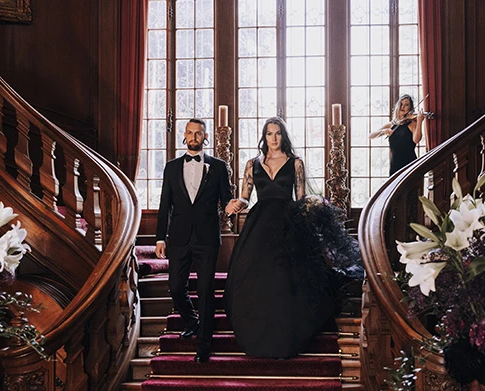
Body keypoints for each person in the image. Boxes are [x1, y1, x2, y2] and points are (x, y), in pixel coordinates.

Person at [224, 117, 360, 359]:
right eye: (269, 134)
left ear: (283, 136)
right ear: (264, 136)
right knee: (254, 279)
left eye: (277, 133)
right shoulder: (252, 163)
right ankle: (256, 335)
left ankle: (285, 336)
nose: (273, 138)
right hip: (259, 225)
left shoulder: (295, 163)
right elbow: (245, 196)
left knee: (285, 279)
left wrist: (313, 212)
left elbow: (300, 197)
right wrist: (236, 203)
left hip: (288, 223)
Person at [153, 118, 234, 363]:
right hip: (178, 237)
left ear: (205, 136)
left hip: (207, 238)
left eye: (198, 133)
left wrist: (236, 205)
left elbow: (226, 201)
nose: (194, 137)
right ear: (184, 136)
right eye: (190, 132)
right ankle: (191, 321)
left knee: (206, 290)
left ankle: (204, 345)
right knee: (176, 287)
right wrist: (159, 238)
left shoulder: (219, 167)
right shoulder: (171, 167)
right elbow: (164, 204)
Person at [370, 94, 427, 175]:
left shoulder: (412, 123)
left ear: (410, 108)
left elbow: (416, 140)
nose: (402, 106)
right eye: (401, 104)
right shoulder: (391, 125)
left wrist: (419, 122)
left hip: (409, 164)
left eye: (406, 105)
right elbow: (371, 136)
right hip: (394, 165)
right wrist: (383, 131)